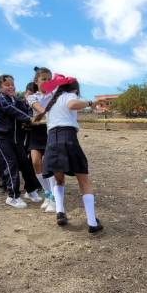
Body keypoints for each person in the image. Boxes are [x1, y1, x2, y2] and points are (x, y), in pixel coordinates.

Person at [34, 74, 102, 233]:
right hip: (67, 138)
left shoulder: (52, 102)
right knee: (83, 180)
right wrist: (90, 102)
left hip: (52, 141)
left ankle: (60, 212)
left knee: (59, 180)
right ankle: (92, 222)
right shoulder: (69, 96)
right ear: (74, 89)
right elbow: (72, 105)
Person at [0, 75, 41, 209]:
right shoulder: (0, 99)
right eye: (7, 85)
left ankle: (31, 191)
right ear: (0, 88)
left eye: (12, 84)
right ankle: (12, 196)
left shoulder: (16, 100)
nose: (11, 87)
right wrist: (29, 119)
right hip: (1, 138)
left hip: (15, 139)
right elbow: (11, 110)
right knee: (11, 164)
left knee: (25, 163)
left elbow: (25, 110)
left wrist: (34, 114)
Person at [27, 67, 57, 213]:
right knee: (35, 162)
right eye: (44, 79)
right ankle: (48, 193)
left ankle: (53, 198)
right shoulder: (32, 97)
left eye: (50, 79)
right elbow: (40, 110)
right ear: (36, 81)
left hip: (50, 132)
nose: (47, 82)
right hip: (36, 133)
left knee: (47, 163)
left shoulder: (56, 95)